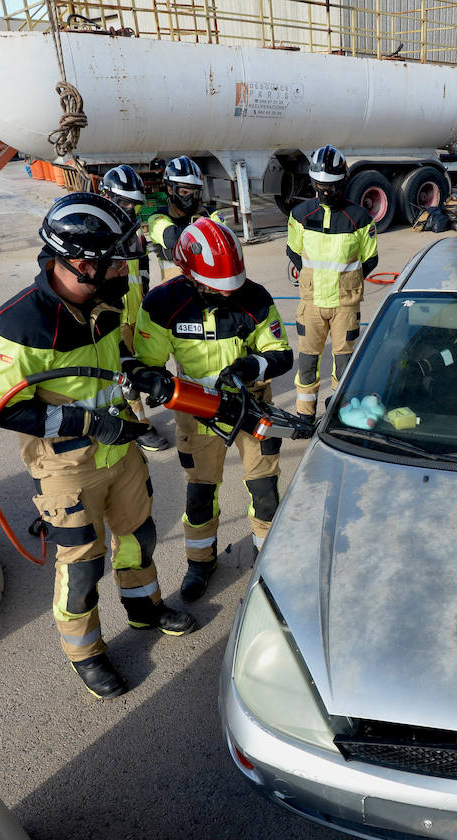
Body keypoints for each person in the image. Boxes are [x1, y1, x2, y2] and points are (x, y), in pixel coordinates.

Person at [0, 192, 197, 699]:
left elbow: (113, 358)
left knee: (138, 537)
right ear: (78, 263)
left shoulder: (101, 301)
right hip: (67, 469)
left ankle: (144, 609)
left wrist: (141, 373)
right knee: (82, 566)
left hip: (122, 455)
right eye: (113, 261)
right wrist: (87, 423)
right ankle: (86, 653)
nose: (123, 269)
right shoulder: (21, 325)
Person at [134, 218, 293, 600]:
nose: (227, 295)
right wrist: (156, 383)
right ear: (189, 274)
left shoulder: (253, 297)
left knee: (264, 486)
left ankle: (266, 558)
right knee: (201, 494)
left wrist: (249, 366)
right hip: (197, 410)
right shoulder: (162, 304)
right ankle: (200, 563)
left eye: (232, 287)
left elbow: (281, 354)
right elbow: (145, 362)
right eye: (216, 288)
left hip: (252, 406)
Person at [285, 144, 378, 420]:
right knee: (308, 362)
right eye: (321, 185)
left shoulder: (359, 218)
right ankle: (304, 415)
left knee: (344, 363)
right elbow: (293, 251)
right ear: (313, 182)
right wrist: (312, 281)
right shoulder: (300, 215)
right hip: (311, 304)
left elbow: (370, 259)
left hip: (345, 307)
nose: (327, 191)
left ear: (344, 182)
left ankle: (339, 412)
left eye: (333, 186)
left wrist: (348, 283)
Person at [100, 164, 171, 453]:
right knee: (122, 376)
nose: (130, 209)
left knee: (142, 365)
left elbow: (142, 276)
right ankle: (139, 426)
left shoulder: (135, 235)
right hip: (111, 318)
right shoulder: (99, 233)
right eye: (124, 202)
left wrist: (146, 307)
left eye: (135, 204)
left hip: (136, 315)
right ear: (108, 196)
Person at [148, 155, 214, 281]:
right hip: (176, 292)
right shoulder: (157, 218)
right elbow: (172, 237)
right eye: (184, 192)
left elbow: (223, 234)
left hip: (209, 286)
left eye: (194, 193)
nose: (190, 198)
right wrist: (205, 232)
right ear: (170, 189)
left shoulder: (211, 213)